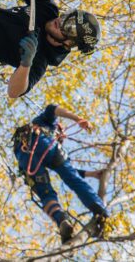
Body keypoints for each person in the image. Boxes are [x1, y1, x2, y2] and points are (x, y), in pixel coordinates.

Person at [13, 104, 108, 244]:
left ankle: (62, 220)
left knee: (45, 194)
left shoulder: (26, 139)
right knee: (74, 181)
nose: (61, 138)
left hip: (25, 157)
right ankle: (100, 210)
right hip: (45, 144)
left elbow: (71, 171)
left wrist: (92, 174)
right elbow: (52, 108)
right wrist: (78, 119)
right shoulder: (46, 123)